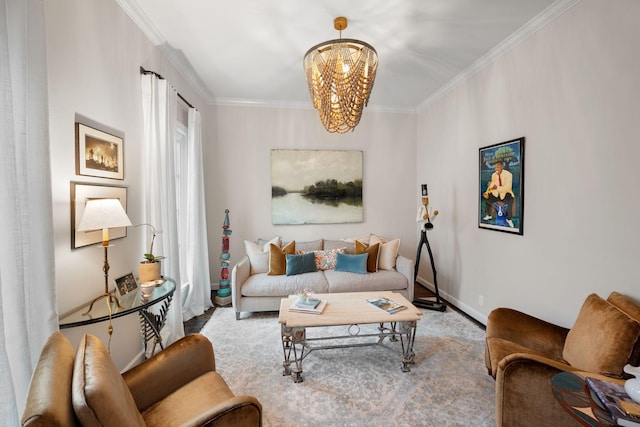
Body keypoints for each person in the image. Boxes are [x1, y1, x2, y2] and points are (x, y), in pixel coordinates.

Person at [482, 161, 515, 227]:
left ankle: (509, 219)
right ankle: (489, 215)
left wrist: (496, 187)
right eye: (495, 168)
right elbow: (492, 186)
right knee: (488, 199)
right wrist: (488, 191)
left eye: (498, 167)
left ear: (502, 167)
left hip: (506, 193)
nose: (497, 169)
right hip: (496, 193)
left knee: (510, 200)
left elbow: (507, 188)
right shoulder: (493, 175)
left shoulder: (509, 174)